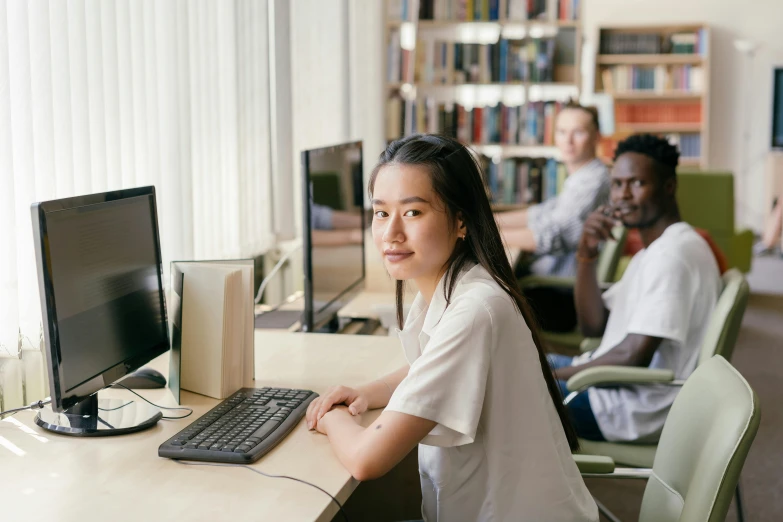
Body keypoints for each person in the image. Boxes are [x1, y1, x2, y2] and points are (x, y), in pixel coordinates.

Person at [305, 134, 597, 522]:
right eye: (380, 213)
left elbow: (365, 460)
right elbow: (433, 367)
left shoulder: (476, 309)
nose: (391, 232)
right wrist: (365, 393)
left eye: (412, 213)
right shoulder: (455, 287)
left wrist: (328, 415)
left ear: (461, 221)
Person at [548, 134, 722, 443]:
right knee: (511, 365)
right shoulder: (653, 251)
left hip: (632, 407)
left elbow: (633, 356)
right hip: (615, 388)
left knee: (503, 391)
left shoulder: (672, 255)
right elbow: (593, 325)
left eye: (637, 183)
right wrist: (586, 254)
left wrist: (551, 379)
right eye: (617, 184)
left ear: (669, 187)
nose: (622, 196)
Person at [496, 101, 610, 277]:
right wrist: (487, 221)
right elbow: (542, 213)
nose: (568, 141)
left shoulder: (593, 181)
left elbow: (551, 235)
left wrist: (483, 235)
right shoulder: (582, 177)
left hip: (560, 284)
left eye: (578, 132)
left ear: (596, 137)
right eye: (562, 132)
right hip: (550, 273)